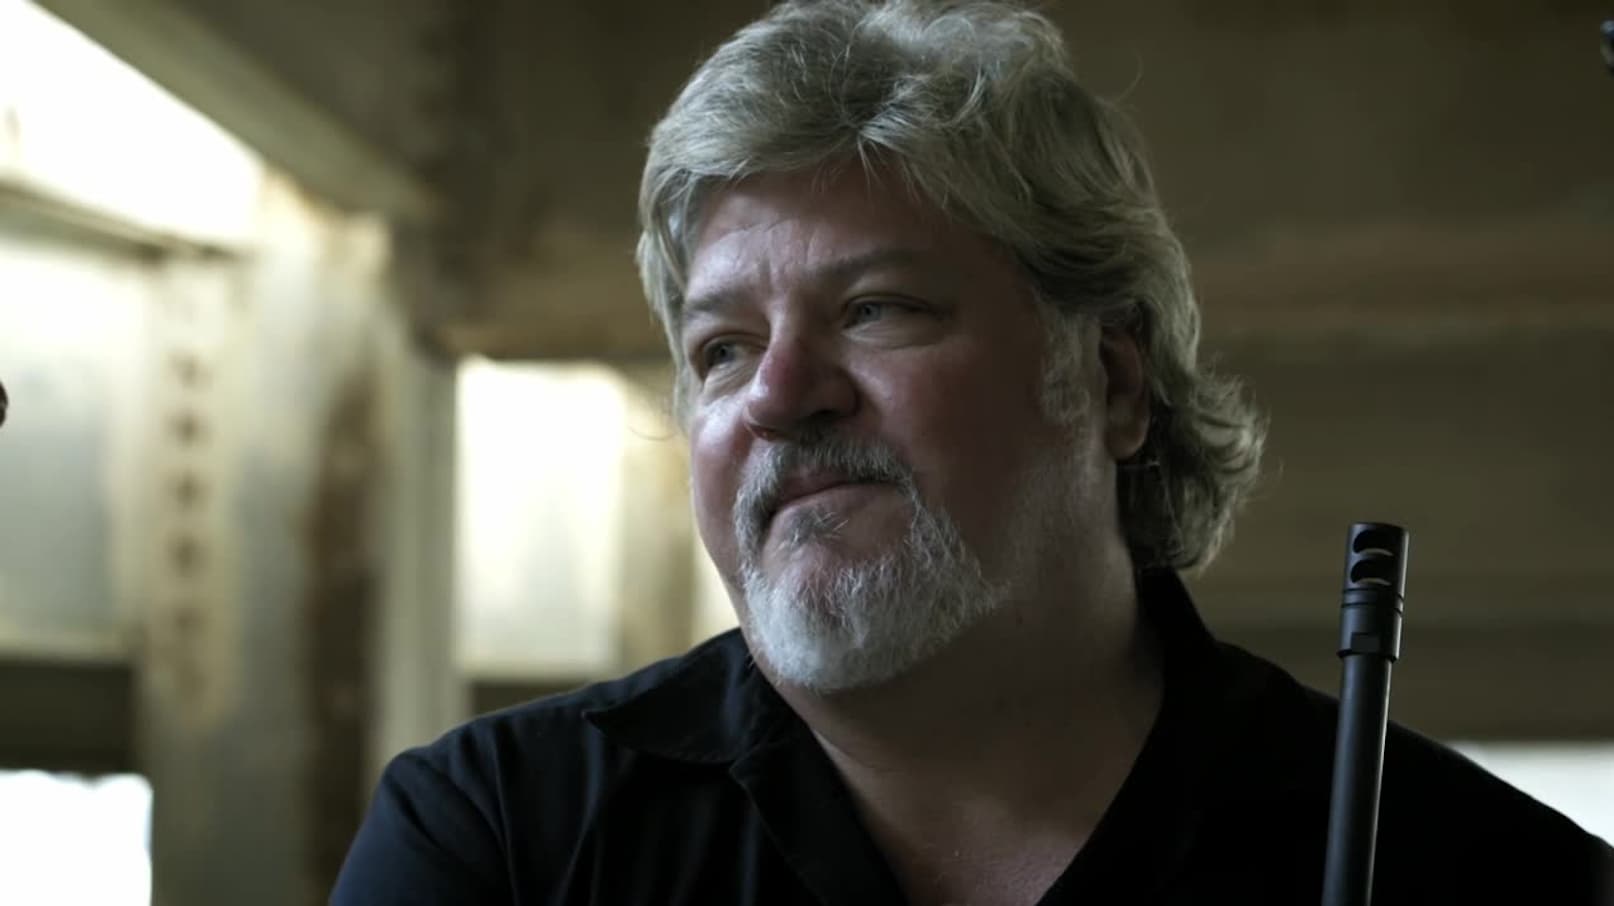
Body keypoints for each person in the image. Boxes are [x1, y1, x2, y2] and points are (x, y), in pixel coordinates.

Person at [332, 2, 1614, 903]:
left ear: (1109, 381)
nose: (778, 394)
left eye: (877, 309)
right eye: (722, 348)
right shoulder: (502, 837)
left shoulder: (1479, 874)